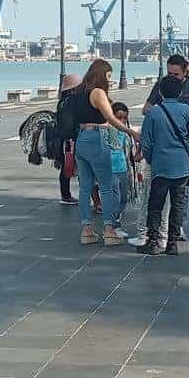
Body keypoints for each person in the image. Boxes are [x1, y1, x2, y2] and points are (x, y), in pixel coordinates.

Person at [74, 59, 140, 246]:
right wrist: (131, 132)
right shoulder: (98, 92)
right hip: (97, 137)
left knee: (85, 187)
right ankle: (109, 230)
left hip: (81, 138)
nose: (110, 80)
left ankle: (86, 230)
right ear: (101, 74)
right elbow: (110, 118)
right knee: (107, 186)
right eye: (109, 76)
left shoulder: (80, 91)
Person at [137, 76, 189, 256]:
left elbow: (146, 142)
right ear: (179, 93)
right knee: (178, 205)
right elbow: (188, 133)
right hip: (182, 165)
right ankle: (172, 243)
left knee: (155, 205)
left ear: (160, 92)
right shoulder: (185, 109)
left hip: (161, 165)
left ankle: (152, 241)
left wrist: (151, 159)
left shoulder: (153, 112)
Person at [144, 54, 189, 145]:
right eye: (169, 74)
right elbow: (146, 110)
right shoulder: (161, 85)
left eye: (176, 74)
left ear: (185, 72)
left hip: (185, 140)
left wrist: (185, 117)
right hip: (162, 139)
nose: (172, 77)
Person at [106, 102, 137, 237]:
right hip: (110, 168)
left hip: (123, 168)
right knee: (115, 198)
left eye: (124, 118)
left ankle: (115, 222)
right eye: (118, 118)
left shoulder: (126, 132)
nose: (122, 121)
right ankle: (112, 226)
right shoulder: (106, 130)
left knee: (124, 198)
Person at [57, 73, 82, 206]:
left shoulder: (62, 101)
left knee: (66, 166)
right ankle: (67, 195)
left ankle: (65, 194)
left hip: (63, 138)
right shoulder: (72, 102)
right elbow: (70, 122)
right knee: (76, 166)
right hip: (71, 138)